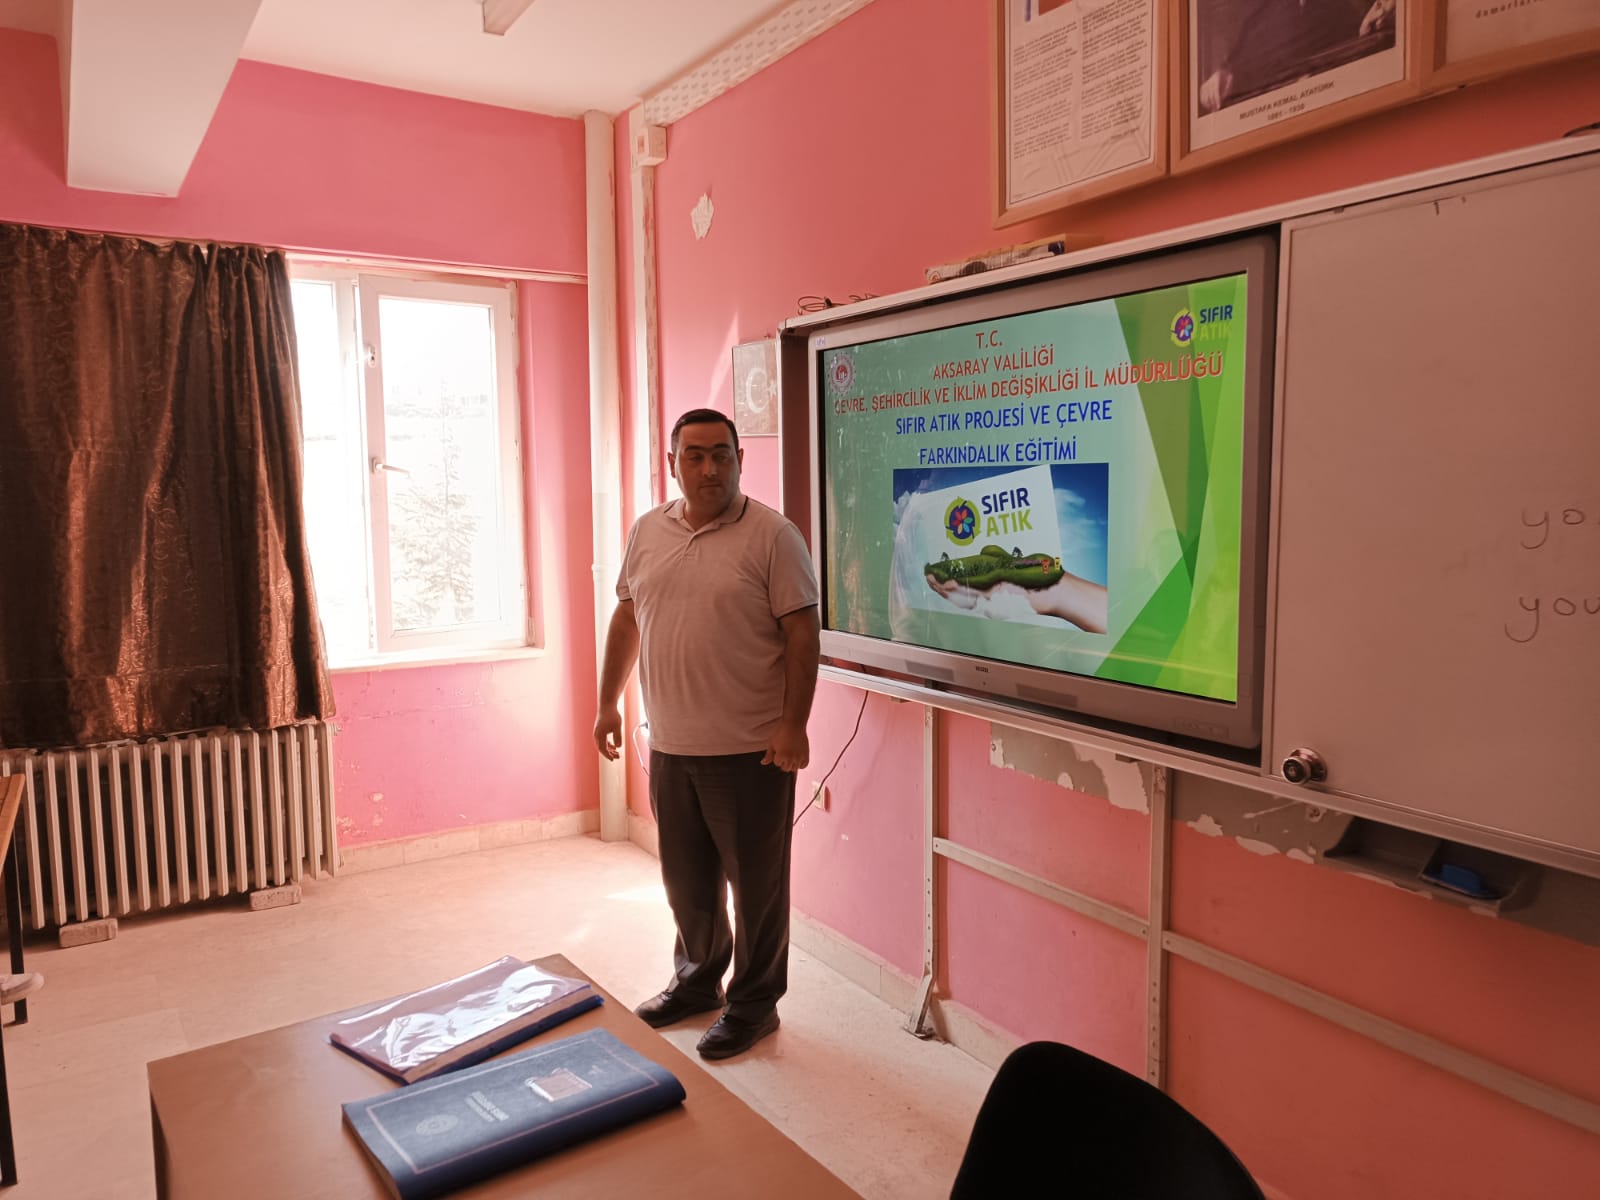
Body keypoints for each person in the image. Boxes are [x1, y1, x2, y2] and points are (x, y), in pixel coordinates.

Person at [594, 408, 820, 1061]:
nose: (709, 468)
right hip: (670, 745)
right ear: (673, 464)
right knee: (686, 883)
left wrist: (792, 725)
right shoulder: (647, 532)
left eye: (721, 454)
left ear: (740, 459)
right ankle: (697, 984)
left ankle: (754, 1005)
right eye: (694, 455)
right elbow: (627, 617)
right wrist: (608, 702)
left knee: (757, 891)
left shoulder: (773, 537)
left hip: (753, 751)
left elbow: (802, 634)